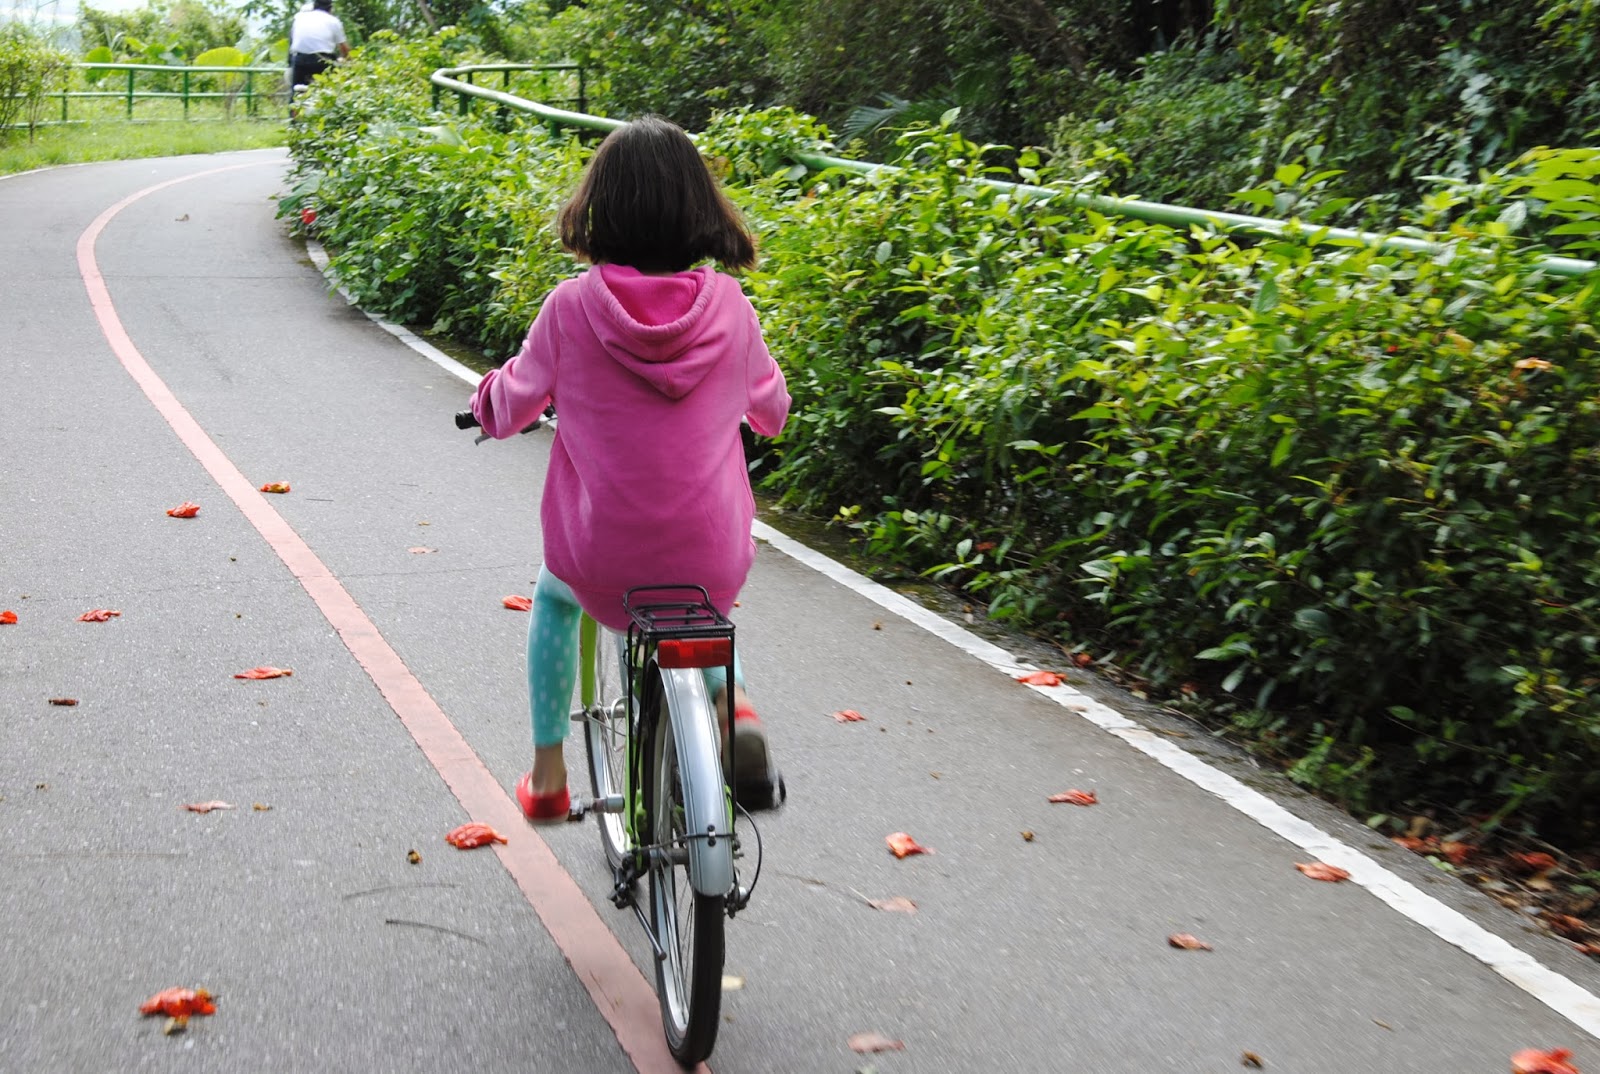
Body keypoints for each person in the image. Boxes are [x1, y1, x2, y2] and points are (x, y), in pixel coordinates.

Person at [470, 116, 791, 823]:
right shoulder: (732, 310)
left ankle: (548, 776)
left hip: (601, 558)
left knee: (555, 598)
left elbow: (511, 405)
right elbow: (772, 412)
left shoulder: (570, 308)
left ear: (598, 209)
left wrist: (484, 404)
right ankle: (733, 707)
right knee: (700, 611)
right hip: (710, 555)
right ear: (699, 208)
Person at [288, 0, 348, 99]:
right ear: (330, 8)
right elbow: (345, 49)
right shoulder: (333, 21)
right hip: (323, 61)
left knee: (296, 95)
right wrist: (346, 60)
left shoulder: (299, 17)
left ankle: (294, 106)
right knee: (330, 92)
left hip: (300, 60)